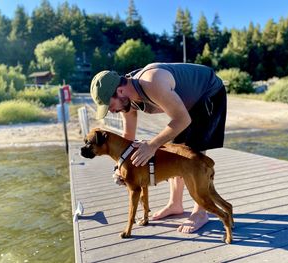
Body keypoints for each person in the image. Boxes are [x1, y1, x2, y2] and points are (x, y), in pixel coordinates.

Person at [90, 62, 227, 233]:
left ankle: (200, 212)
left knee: (192, 150)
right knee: (175, 149)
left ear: (120, 91)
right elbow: (128, 138)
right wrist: (120, 167)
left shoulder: (152, 82)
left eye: (110, 106)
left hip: (208, 92)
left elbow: (183, 120)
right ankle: (175, 204)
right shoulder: (127, 101)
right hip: (185, 106)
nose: (112, 111)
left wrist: (152, 145)